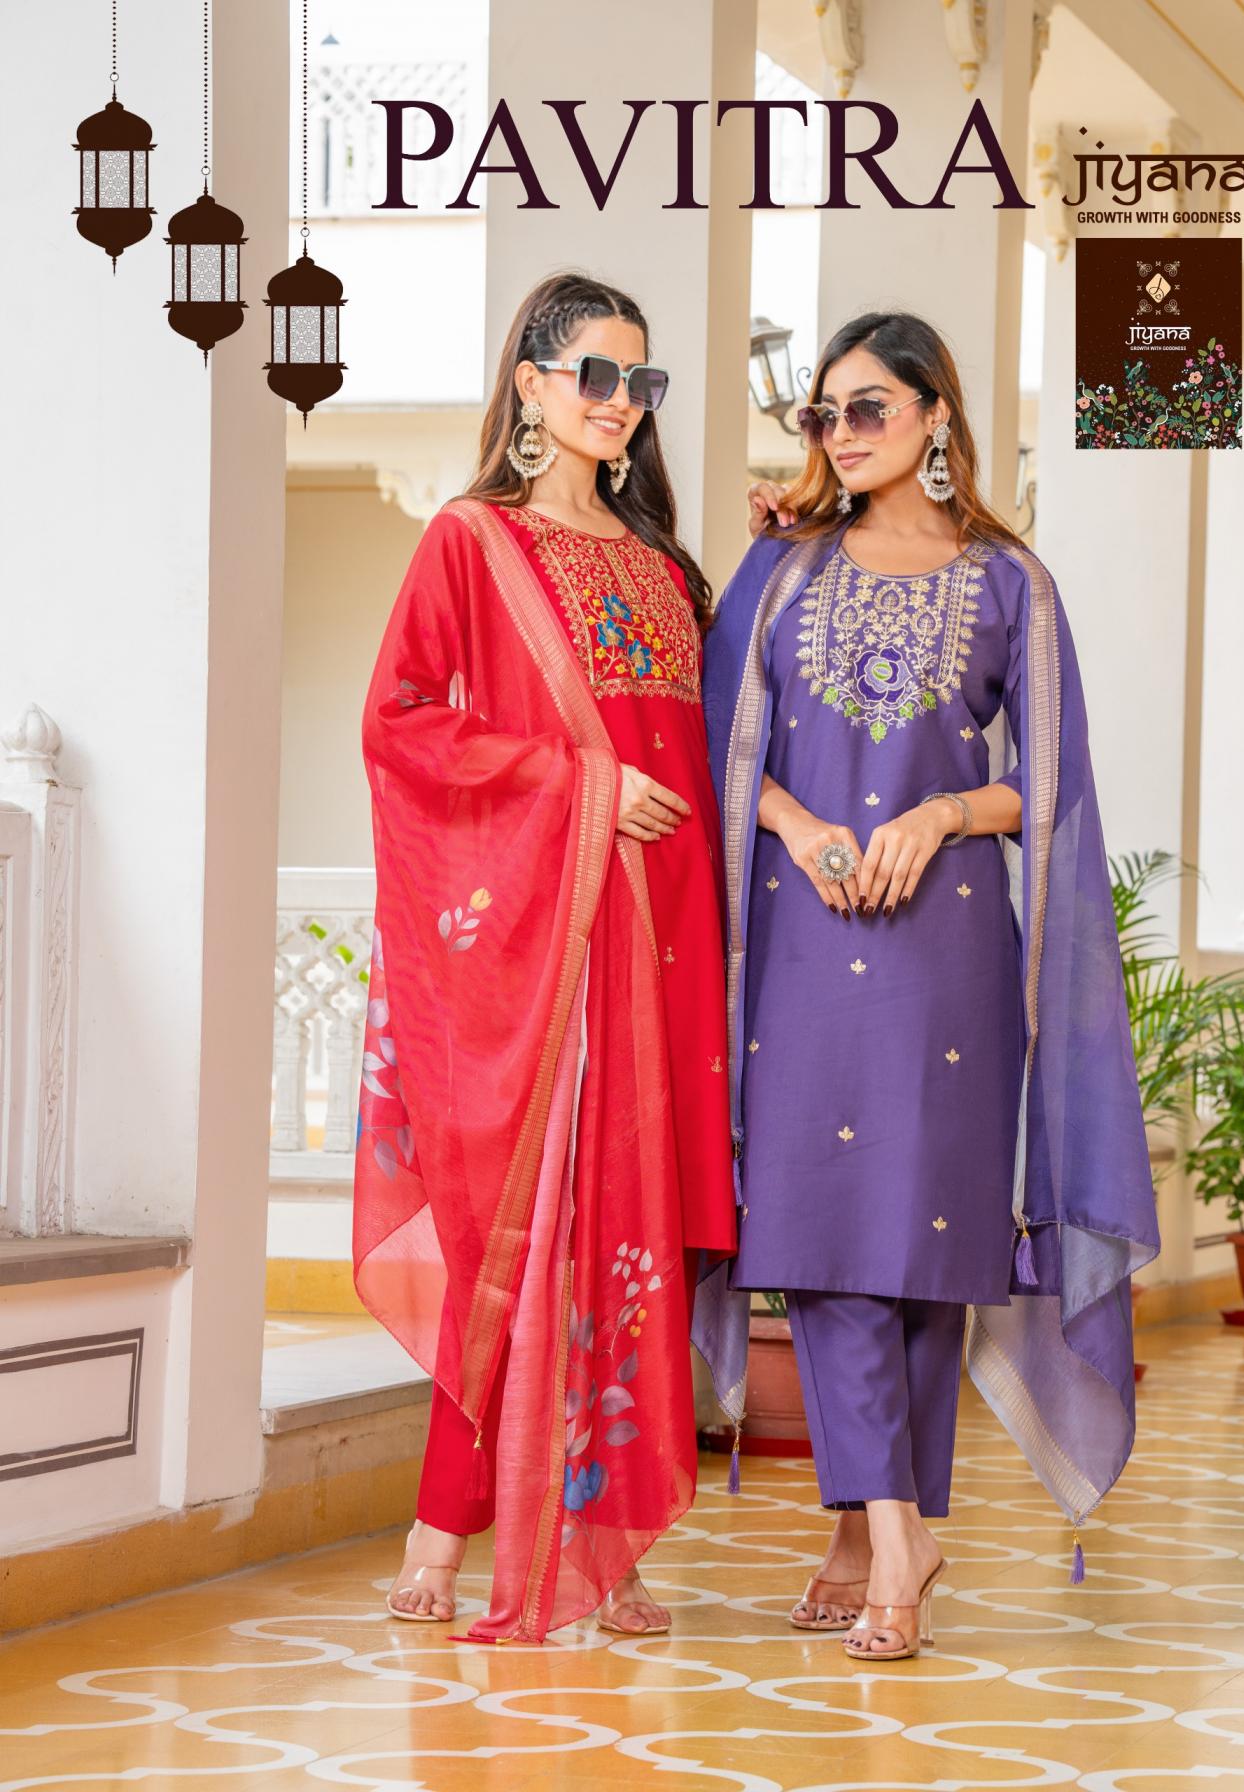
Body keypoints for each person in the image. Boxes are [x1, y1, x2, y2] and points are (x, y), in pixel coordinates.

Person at [693, 311, 1160, 1663]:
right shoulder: (781, 567)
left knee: (921, 1245)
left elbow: (1053, 786)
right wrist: (798, 829)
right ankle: (902, 1535)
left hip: (946, 945)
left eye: (868, 409)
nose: (840, 434)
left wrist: (944, 812)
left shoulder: (1013, 584)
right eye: (823, 413)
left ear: (936, 415)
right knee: (816, 1233)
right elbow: (722, 745)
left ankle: (863, 1535)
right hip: (803, 937)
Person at [355, 272, 737, 1644]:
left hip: (675, 934)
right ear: (530, 383)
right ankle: (441, 1530)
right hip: (554, 937)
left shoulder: (668, 569)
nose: (620, 403)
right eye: (595, 375)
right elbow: (400, 722)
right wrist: (579, 785)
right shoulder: (473, 542)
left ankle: (607, 1544)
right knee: (518, 1234)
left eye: (641, 381)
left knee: (635, 1239)